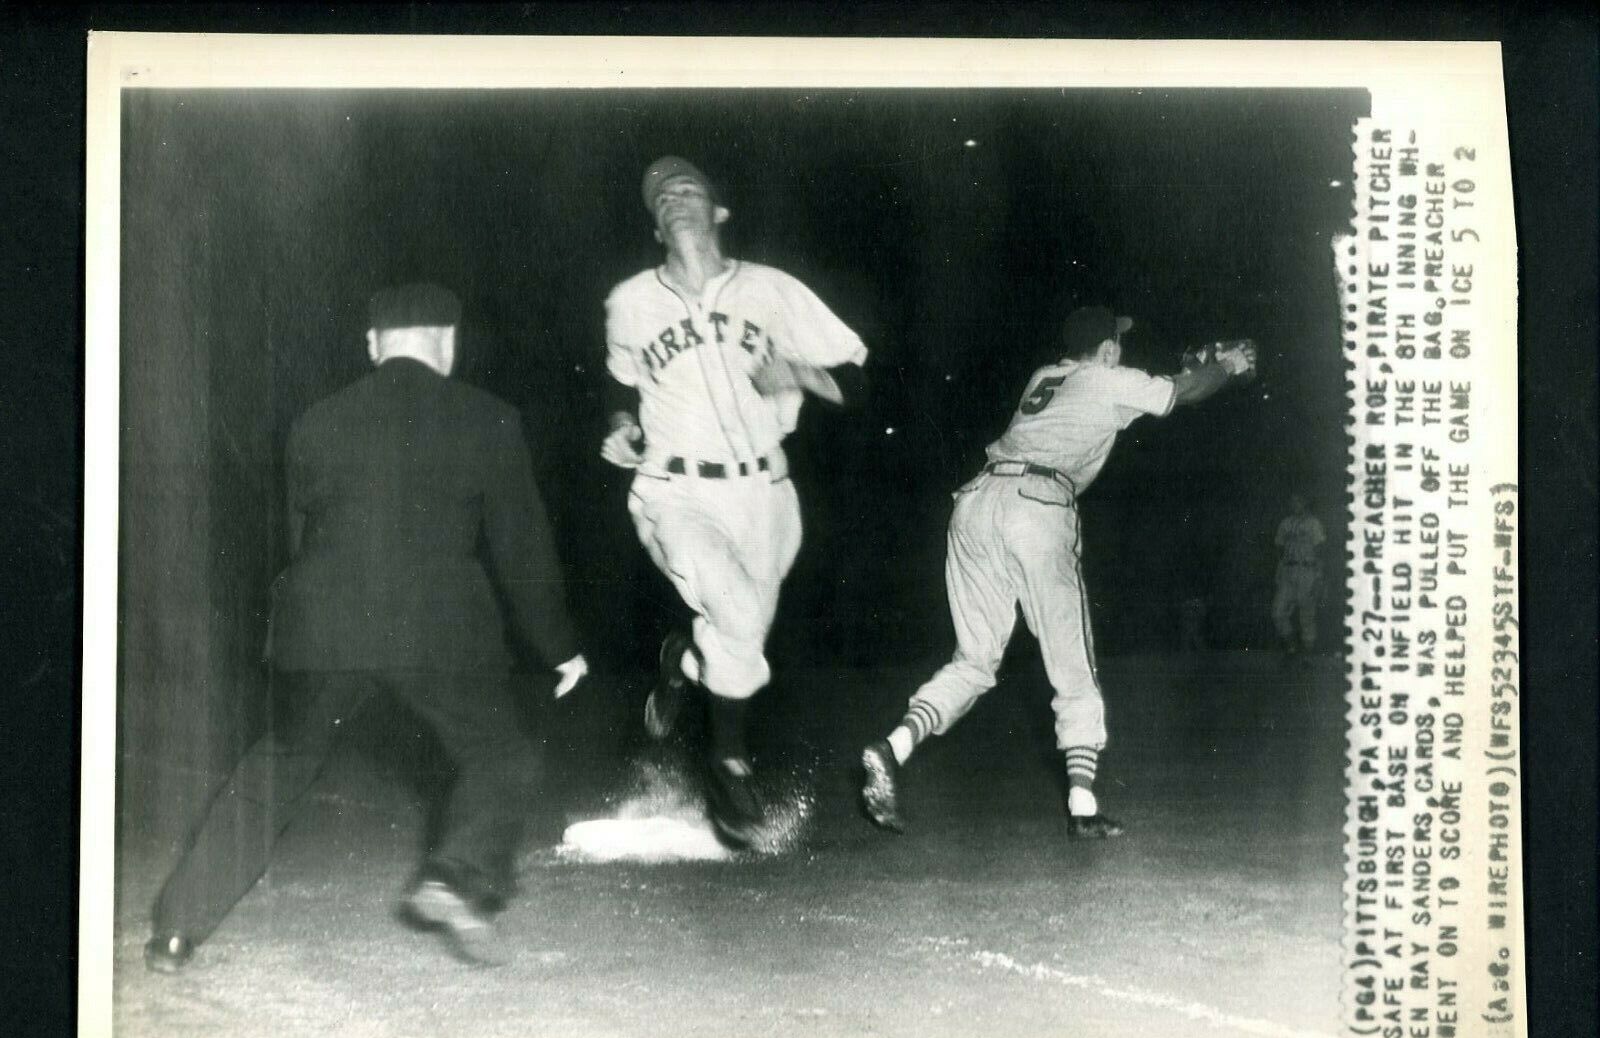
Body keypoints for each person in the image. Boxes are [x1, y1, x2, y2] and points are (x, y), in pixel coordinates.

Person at [144, 283, 588, 972]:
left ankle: (175, 931)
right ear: (447, 342)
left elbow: (301, 535)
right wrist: (559, 647)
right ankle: (455, 874)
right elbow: (521, 547)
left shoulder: (317, 421)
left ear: (375, 346)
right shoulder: (487, 417)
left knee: (273, 773)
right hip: (436, 631)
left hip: (322, 628)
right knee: (499, 754)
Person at [858, 308, 1256, 837]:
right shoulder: (1105, 377)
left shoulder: (1045, 377)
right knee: (1072, 662)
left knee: (975, 660)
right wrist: (1225, 366)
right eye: (1118, 342)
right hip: (1036, 504)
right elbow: (1173, 395)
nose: (1121, 348)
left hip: (975, 503)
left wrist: (1188, 372)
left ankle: (893, 746)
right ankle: (1083, 809)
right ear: (1109, 350)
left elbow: (1126, 396)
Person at [599, 156, 867, 847]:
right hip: (674, 489)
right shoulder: (630, 301)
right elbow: (620, 387)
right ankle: (727, 766)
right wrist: (620, 428)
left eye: (690, 190)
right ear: (655, 226)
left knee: (739, 638)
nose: (676, 200)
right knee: (741, 616)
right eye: (662, 198)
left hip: (765, 494)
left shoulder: (772, 290)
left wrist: (801, 372)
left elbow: (858, 377)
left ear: (719, 212)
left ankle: (685, 660)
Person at [1272, 491, 1326, 659]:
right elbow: (1279, 547)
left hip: (1307, 570)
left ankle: (1307, 656)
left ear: (1306, 503)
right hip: (1289, 570)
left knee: (1307, 615)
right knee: (1277, 612)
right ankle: (1292, 647)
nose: (1295, 505)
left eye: (1299, 501)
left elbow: (1321, 550)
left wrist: (1319, 576)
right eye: (1292, 501)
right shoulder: (1285, 523)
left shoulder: (1314, 523)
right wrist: (1279, 571)